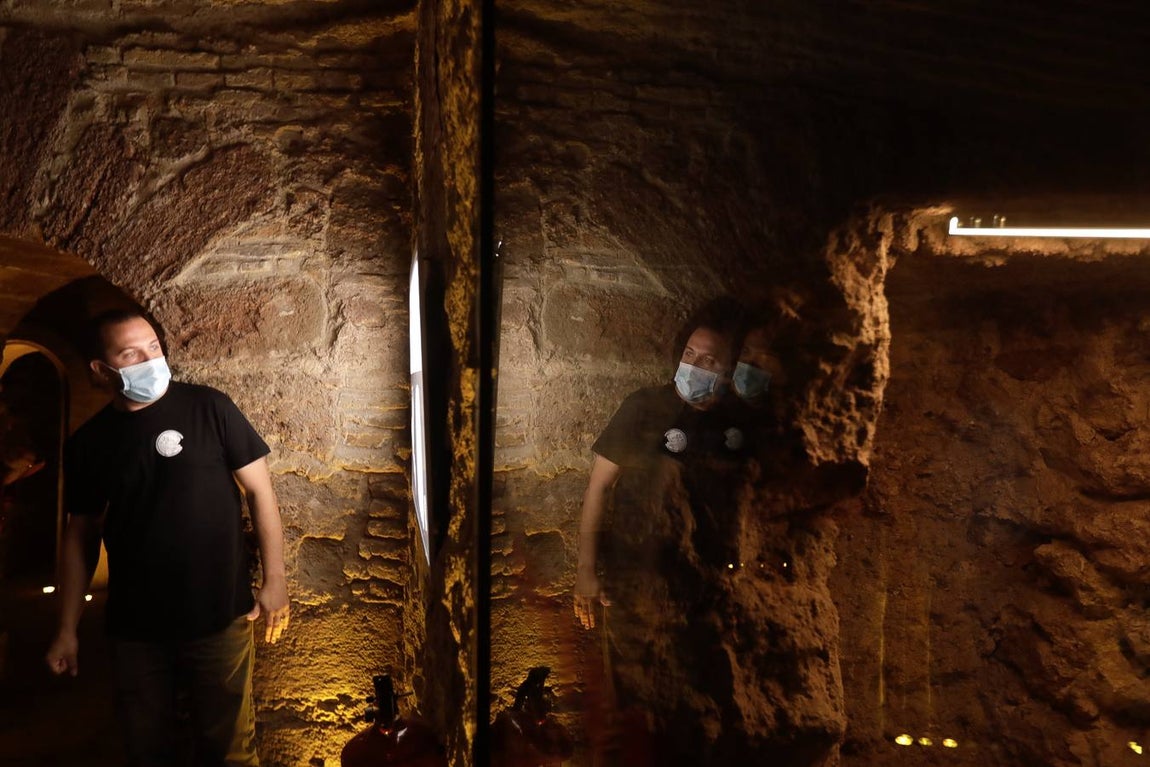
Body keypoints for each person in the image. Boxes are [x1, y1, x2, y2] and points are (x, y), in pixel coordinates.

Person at [44, 309, 290, 767]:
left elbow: (260, 492)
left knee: (231, 751)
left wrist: (275, 579)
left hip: (220, 615)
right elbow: (80, 535)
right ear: (102, 370)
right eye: (130, 353)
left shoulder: (210, 408)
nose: (149, 359)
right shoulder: (90, 443)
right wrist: (66, 627)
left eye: (153, 346)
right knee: (146, 749)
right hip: (136, 629)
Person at [573, 303, 742, 631]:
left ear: (728, 371)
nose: (693, 365)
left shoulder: (734, 426)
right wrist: (586, 569)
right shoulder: (645, 407)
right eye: (689, 353)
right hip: (636, 583)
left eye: (708, 360)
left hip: (706, 591)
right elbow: (599, 486)